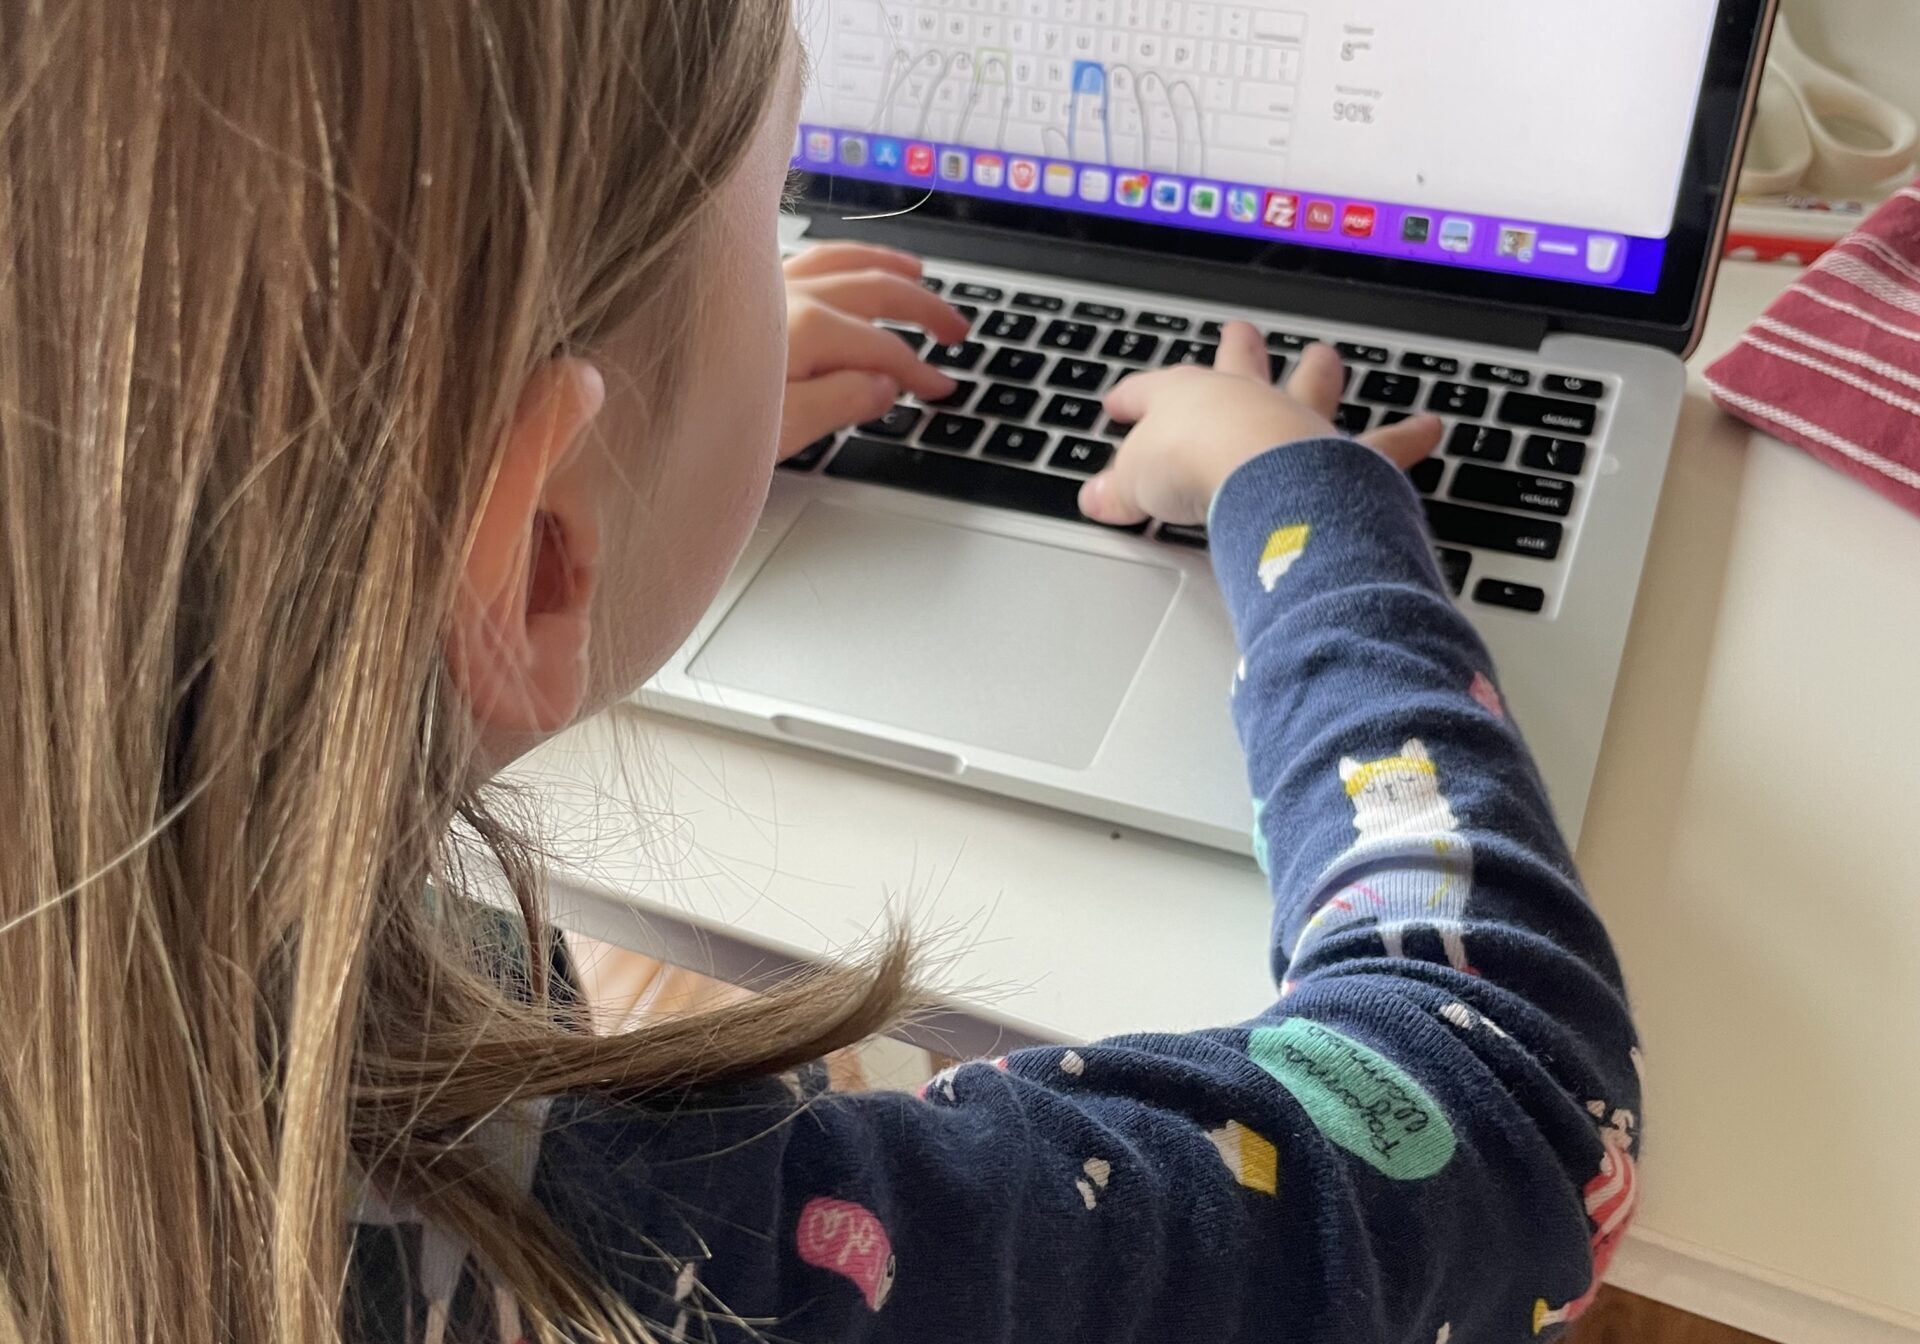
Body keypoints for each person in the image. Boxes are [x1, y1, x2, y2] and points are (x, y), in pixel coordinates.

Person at [0, 1, 1641, 1341]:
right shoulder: (705, 1258)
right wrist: (1308, 501)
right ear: (531, 558)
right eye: (774, 186)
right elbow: (1509, 1112)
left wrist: (648, 424)